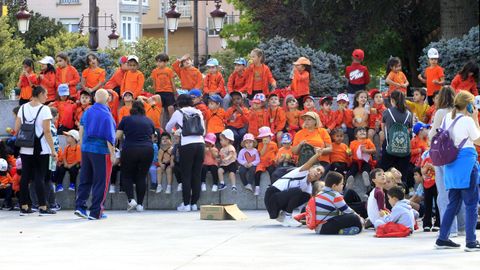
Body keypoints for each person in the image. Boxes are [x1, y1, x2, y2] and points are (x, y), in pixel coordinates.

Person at [435, 91, 480, 251]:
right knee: (471, 203)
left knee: (453, 203)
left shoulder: (448, 117)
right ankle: (471, 242)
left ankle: (442, 238)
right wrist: (475, 120)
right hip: (466, 163)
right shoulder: (468, 120)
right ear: (468, 105)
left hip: (451, 164)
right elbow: (478, 140)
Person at [15, 86, 57, 215]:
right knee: (39, 176)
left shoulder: (22, 108)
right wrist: (53, 149)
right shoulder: (45, 109)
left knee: (25, 176)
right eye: (45, 94)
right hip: (41, 148)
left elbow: (17, 128)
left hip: (25, 146)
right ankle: (43, 206)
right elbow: (47, 131)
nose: (46, 97)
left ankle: (24, 205)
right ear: (39, 94)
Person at [427, 86, 464, 236]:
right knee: (457, 190)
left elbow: (433, 134)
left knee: (444, 192)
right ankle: (462, 226)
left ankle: (449, 228)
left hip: (443, 156)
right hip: (458, 154)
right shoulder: (460, 112)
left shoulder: (441, 112)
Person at [75, 89, 116, 220]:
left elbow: (81, 128)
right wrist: (113, 154)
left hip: (86, 149)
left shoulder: (88, 111)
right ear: (107, 99)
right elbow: (109, 137)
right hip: (101, 151)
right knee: (101, 182)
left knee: (85, 179)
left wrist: (82, 145)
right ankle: (96, 212)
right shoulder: (106, 115)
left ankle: (80, 207)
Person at [264, 148, 325, 227]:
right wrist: (317, 155)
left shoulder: (309, 187)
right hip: (271, 197)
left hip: (277, 206)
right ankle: (288, 217)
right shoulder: (301, 172)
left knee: (307, 196)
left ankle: (283, 214)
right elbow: (309, 163)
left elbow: (309, 205)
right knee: (297, 191)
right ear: (310, 169)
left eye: (321, 173)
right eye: (318, 169)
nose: (318, 173)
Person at [166, 94, 205, 212]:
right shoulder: (199, 112)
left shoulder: (179, 113)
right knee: (197, 174)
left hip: (187, 145)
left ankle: (186, 204)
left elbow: (168, 127)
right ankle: (194, 203)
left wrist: (177, 131)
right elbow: (204, 131)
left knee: (186, 174)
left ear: (179, 103)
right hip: (200, 144)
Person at [116, 101, 155, 212]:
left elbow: (118, 136)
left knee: (127, 175)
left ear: (132, 109)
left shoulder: (126, 119)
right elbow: (152, 138)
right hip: (147, 149)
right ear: (143, 109)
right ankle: (140, 205)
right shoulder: (149, 120)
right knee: (141, 176)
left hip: (130, 149)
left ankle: (131, 200)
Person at [380, 90, 413, 185]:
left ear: (392, 100)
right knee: (402, 173)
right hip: (404, 148)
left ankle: (387, 192)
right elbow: (410, 130)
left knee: (386, 170)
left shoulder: (387, 112)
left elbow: (383, 128)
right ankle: (402, 190)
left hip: (389, 145)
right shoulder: (408, 114)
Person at [255, 126, 278, 196]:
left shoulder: (274, 144)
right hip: (262, 162)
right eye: (263, 137)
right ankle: (257, 187)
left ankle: (272, 185)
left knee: (272, 171)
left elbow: (277, 153)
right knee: (257, 172)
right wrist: (265, 145)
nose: (265, 138)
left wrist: (275, 160)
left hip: (271, 162)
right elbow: (261, 153)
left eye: (267, 137)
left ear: (270, 137)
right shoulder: (260, 145)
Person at [151, 53, 176, 118]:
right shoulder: (154, 71)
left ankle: (173, 123)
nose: (158, 63)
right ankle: (160, 125)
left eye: (160, 61)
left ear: (166, 62)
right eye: (157, 62)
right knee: (160, 108)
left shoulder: (169, 71)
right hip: (158, 92)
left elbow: (172, 82)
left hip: (168, 91)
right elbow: (154, 83)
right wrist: (154, 92)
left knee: (170, 107)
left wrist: (175, 92)